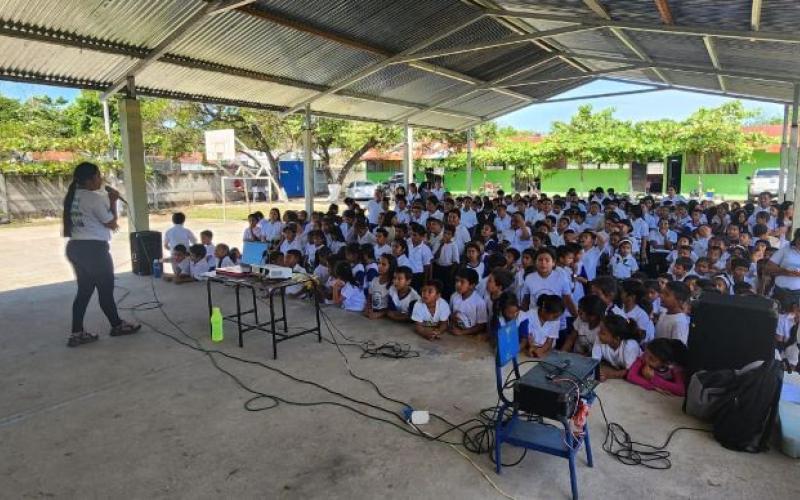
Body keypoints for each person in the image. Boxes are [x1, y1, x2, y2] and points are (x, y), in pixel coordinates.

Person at [62, 162, 139, 347]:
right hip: (94, 251)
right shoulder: (94, 199)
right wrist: (113, 201)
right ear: (89, 180)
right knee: (105, 291)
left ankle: (76, 333)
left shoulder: (73, 196)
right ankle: (117, 326)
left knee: (84, 292)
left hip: (75, 248)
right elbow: (111, 223)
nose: (101, 180)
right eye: (98, 176)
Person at [592, 313, 642, 381]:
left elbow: (631, 371)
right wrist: (598, 373)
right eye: (599, 330)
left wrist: (609, 374)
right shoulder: (600, 339)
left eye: (603, 333)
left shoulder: (630, 346)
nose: (598, 333)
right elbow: (594, 362)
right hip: (616, 367)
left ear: (616, 339)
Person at [449, 268, 487, 336]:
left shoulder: (479, 302)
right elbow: (451, 315)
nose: (458, 284)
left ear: (472, 285)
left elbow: (481, 325)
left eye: (462, 282)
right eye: (457, 281)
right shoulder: (454, 296)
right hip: (456, 331)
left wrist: (462, 332)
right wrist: (452, 318)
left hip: (471, 336)